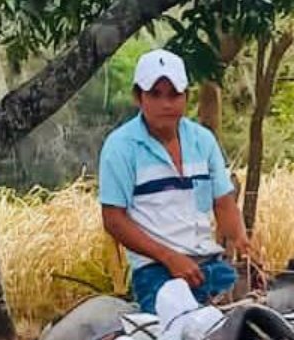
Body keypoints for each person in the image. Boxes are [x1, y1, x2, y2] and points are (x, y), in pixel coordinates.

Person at [98, 48, 250, 314]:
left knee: (263, 313)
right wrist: (170, 258)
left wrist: (243, 243)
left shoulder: (203, 140)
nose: (165, 104)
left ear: (186, 97)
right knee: (183, 336)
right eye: (155, 94)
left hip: (210, 265)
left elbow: (223, 204)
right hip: (156, 271)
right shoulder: (121, 146)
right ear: (138, 97)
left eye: (174, 94)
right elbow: (114, 219)